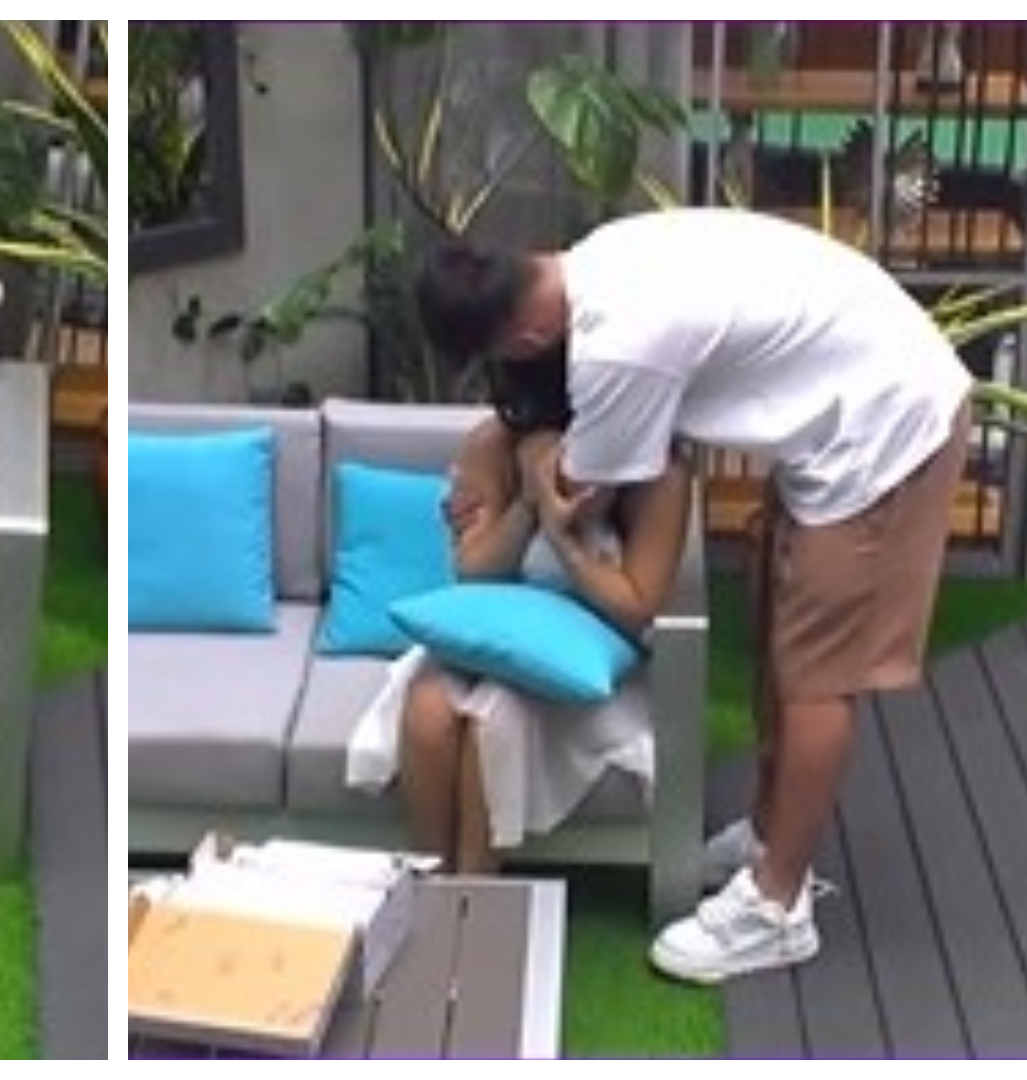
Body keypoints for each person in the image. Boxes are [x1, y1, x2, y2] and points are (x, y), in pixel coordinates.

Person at [415, 207, 973, 984]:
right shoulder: (599, 257)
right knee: (784, 643)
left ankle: (776, 908)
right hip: (840, 416)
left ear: (525, 339)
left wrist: (531, 465)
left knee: (818, 679)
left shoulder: (617, 349)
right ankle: (768, 838)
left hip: (882, 432)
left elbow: (573, 496)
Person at [373, 354, 692, 875]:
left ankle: (476, 886)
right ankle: (432, 879)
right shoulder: (492, 446)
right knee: (428, 707)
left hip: (590, 660)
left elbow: (636, 609)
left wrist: (565, 539)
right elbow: (472, 574)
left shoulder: (661, 474)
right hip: (489, 633)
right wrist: (527, 505)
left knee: (496, 716)